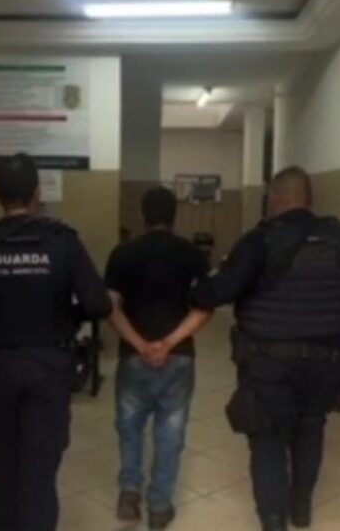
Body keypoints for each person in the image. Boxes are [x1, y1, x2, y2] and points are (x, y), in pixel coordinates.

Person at [0, 153, 111, 531]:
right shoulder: (63, 242)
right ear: (37, 192)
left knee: (0, 468)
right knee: (40, 474)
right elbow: (98, 304)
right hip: (49, 369)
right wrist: (67, 316)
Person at [191, 167, 340, 531]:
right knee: (311, 427)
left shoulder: (260, 241)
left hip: (268, 362)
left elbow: (217, 292)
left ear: (275, 198)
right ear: (309, 199)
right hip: (326, 361)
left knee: (267, 438)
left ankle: (274, 519)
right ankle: (301, 508)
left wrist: (196, 289)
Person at [105, 186, 210, 530]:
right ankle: (160, 507)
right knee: (170, 434)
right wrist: (168, 343)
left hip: (132, 358)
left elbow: (111, 308)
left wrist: (141, 344)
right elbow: (204, 309)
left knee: (130, 428)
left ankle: (129, 493)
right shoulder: (193, 255)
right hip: (178, 358)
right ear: (174, 215)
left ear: (142, 215)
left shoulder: (122, 254)